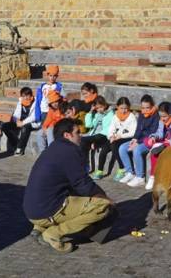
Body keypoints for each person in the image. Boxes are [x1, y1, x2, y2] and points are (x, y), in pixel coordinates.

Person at [23, 119, 114, 253]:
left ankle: (39, 228)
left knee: (73, 195)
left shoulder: (54, 148)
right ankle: (54, 233)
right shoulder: (70, 152)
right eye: (77, 133)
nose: (80, 136)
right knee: (102, 206)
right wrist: (104, 198)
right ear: (67, 135)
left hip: (32, 211)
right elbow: (83, 184)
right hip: (46, 210)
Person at [118, 95, 160, 187]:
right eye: (143, 108)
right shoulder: (142, 114)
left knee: (137, 150)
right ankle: (130, 172)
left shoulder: (155, 116)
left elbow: (151, 132)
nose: (145, 110)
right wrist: (134, 139)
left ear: (152, 106)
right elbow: (138, 129)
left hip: (149, 141)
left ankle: (140, 177)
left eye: (147, 108)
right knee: (122, 148)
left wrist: (138, 142)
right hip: (140, 140)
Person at [80, 96, 115, 179]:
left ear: (105, 104)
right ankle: (85, 166)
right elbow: (89, 125)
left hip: (104, 135)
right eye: (97, 108)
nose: (99, 109)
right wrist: (90, 112)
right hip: (94, 135)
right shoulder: (97, 114)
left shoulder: (111, 113)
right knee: (82, 141)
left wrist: (94, 141)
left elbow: (108, 129)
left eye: (101, 107)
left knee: (83, 140)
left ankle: (90, 168)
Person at [1, 87, 41, 155]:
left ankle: (20, 148)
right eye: (23, 96)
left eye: (27, 95)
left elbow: (34, 117)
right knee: (5, 126)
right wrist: (17, 120)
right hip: (20, 122)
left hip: (32, 123)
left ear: (31, 95)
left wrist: (22, 123)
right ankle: (15, 144)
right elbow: (16, 114)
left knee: (25, 128)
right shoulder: (20, 102)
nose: (26, 97)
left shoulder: (36, 102)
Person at [108, 97, 139, 181]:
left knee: (116, 145)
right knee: (112, 144)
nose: (123, 110)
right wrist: (111, 136)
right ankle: (122, 167)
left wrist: (120, 136)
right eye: (121, 108)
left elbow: (133, 132)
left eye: (126, 108)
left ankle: (122, 168)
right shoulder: (115, 116)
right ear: (117, 107)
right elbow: (111, 128)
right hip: (117, 137)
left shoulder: (131, 117)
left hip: (128, 138)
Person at [35, 65, 63, 150]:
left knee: (50, 131)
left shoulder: (58, 86)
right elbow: (38, 100)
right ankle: (44, 151)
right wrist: (37, 114)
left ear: (57, 76)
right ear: (47, 75)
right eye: (50, 75)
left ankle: (51, 149)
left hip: (54, 112)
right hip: (44, 111)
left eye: (54, 76)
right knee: (43, 131)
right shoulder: (42, 86)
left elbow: (63, 97)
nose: (52, 78)